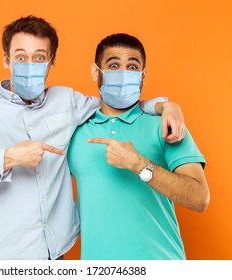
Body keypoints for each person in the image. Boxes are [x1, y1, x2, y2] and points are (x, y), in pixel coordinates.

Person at [0, 15, 185, 260]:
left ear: (51, 62)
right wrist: (7, 158)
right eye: (20, 57)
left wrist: (166, 105)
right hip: (0, 256)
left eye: (39, 57)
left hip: (56, 254)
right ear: (7, 60)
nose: (30, 64)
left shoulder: (66, 100)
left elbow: (117, 101)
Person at [67, 33, 210, 260]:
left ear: (143, 76)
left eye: (132, 67)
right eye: (113, 65)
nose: (123, 74)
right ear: (97, 72)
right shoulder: (74, 132)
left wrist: (138, 163)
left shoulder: (165, 126)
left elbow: (199, 198)